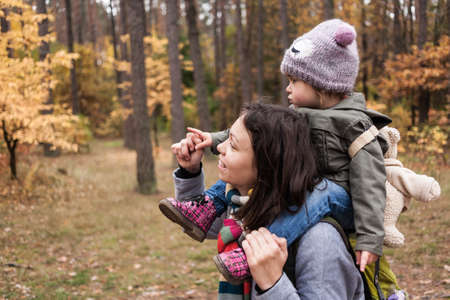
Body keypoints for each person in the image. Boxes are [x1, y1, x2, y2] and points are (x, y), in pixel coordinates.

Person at [161, 19, 392, 281]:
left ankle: (256, 251)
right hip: (307, 188)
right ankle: (205, 208)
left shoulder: (355, 125)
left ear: (322, 83)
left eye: (294, 81)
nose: (288, 88)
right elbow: (253, 136)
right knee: (235, 167)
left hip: (345, 202)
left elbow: (371, 183)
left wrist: (370, 238)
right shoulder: (300, 114)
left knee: (323, 190)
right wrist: (212, 140)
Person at [163, 103, 364, 299]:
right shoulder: (246, 206)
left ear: (267, 164)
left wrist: (272, 284)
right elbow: (200, 224)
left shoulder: (319, 240)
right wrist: (189, 172)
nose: (221, 148)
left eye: (232, 144)